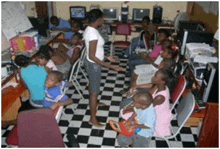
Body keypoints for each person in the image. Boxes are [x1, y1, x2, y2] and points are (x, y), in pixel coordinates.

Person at [83, 9, 123, 127]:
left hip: (90, 63)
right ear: (98, 19)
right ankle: (92, 119)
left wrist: (106, 56)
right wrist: (111, 67)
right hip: (94, 65)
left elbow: (93, 50)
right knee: (94, 92)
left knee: (92, 84)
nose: (104, 20)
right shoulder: (93, 34)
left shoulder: (90, 29)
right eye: (102, 18)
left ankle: (96, 102)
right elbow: (92, 55)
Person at [128, 68, 177, 137]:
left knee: (128, 116)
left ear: (162, 81)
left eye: (155, 76)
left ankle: (132, 139)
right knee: (129, 112)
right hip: (150, 109)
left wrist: (131, 110)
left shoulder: (160, 97)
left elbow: (144, 107)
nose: (152, 77)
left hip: (157, 117)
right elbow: (148, 95)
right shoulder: (159, 86)